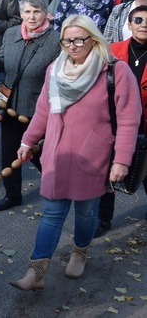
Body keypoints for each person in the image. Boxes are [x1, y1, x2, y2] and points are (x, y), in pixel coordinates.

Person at [11, 15, 141, 291]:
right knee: (52, 213)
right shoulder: (54, 69)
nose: (72, 45)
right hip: (57, 155)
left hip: (93, 156)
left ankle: (80, 251)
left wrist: (122, 160)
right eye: (67, 40)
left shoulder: (115, 71)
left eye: (79, 39)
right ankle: (36, 272)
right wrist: (27, 141)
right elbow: (43, 111)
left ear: (94, 40)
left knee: (86, 212)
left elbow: (130, 118)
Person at [0, 0, 60, 209]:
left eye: (37, 11)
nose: (31, 17)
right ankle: (13, 195)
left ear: (45, 13)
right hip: (10, 105)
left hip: (38, 109)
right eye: (27, 12)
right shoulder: (12, 33)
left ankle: (58, 188)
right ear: (21, 13)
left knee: (37, 154)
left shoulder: (55, 40)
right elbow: (2, 62)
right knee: (9, 154)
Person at [95, 5, 147, 237]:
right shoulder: (112, 51)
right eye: (138, 20)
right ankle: (103, 219)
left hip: (145, 122)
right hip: (114, 122)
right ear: (129, 24)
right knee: (108, 174)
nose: (143, 24)